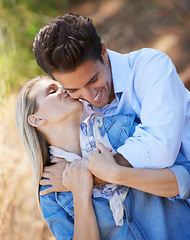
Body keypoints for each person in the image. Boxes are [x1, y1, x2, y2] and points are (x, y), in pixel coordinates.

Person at [15, 76, 190, 240]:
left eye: (61, 85)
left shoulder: (122, 128)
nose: (64, 89)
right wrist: (80, 193)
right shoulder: (51, 192)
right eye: (52, 91)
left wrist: (104, 174)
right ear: (36, 119)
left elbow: (185, 179)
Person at [33, 13, 190, 178]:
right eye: (73, 90)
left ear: (103, 52)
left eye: (93, 80)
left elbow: (160, 148)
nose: (90, 96)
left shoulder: (151, 67)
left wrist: (86, 177)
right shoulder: (74, 110)